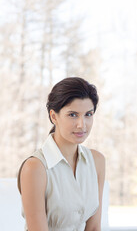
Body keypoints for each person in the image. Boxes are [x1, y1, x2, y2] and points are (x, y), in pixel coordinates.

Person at [17, 77, 106, 231]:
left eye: (88, 114)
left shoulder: (97, 161)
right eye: (73, 115)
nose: (82, 125)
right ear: (53, 116)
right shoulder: (35, 168)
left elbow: (93, 227)